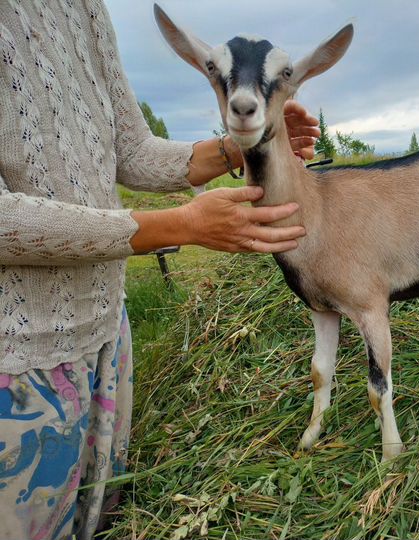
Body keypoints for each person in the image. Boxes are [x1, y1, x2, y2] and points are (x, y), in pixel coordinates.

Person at [0, 2, 320, 538]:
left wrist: (242, 144)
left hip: (107, 337)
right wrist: (180, 226)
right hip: (19, 362)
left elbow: (131, 151)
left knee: (102, 521)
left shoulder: (82, 8)